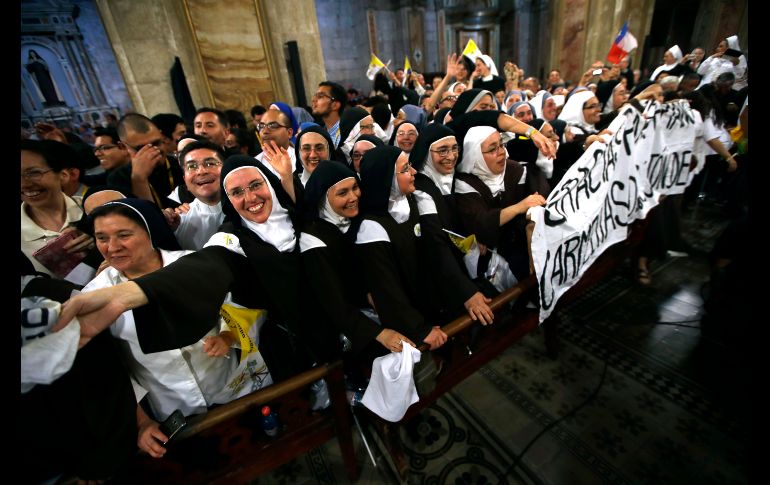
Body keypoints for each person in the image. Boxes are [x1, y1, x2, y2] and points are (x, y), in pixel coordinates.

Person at [83, 198, 263, 458]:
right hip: (172, 408)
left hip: (231, 385)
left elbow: (238, 303)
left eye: (124, 235)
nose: (112, 247)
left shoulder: (192, 264)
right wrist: (142, 422)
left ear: (151, 231)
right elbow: (109, 371)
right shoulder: (95, 296)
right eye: (101, 238)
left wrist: (228, 333)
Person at [300, 160, 414, 355]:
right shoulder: (312, 240)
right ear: (323, 198)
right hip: (343, 331)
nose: (353, 197)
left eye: (355, 188)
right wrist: (380, 334)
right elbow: (333, 302)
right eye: (342, 193)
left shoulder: (353, 220)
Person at [355, 145, 449, 350]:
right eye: (405, 169)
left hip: (427, 306)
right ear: (386, 177)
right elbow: (388, 292)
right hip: (409, 323)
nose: (414, 172)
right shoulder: (371, 228)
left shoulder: (411, 202)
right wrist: (419, 329)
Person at [410, 123, 495, 324]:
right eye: (442, 150)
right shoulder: (421, 189)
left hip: (457, 262)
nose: (451, 156)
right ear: (427, 152)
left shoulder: (451, 177)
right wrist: (467, 293)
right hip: (435, 273)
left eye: (455, 148)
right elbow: (435, 245)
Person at [453, 126, 549, 281]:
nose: (502, 152)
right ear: (475, 155)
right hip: (491, 262)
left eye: (501, 145)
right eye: (492, 149)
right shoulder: (465, 183)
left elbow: (539, 197)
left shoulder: (515, 170)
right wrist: (519, 208)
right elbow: (480, 223)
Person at [21, 139, 94, 277]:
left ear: (63, 175)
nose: (25, 184)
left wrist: (102, 237)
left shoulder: (95, 211)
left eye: (34, 173)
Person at [111, 113, 186, 209]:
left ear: (161, 136)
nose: (153, 151)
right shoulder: (118, 179)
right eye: (142, 148)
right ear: (123, 147)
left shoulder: (181, 164)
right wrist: (139, 179)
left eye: (156, 143)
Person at [165, 140, 226, 250]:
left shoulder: (251, 205)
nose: (201, 171)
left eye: (210, 163)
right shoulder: (178, 223)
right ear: (185, 180)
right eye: (192, 166)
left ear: (226, 169)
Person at [312, 81, 347, 148]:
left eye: (320, 96)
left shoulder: (348, 133)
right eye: (315, 95)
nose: (314, 100)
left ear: (335, 105)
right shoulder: (321, 133)